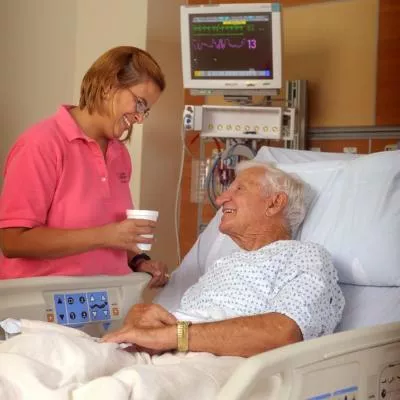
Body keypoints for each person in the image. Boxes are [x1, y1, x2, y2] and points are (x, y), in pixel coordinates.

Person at [103, 161, 345, 357]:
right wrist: (140, 320)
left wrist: (173, 336)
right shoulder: (224, 264)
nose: (220, 200)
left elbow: (285, 332)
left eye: (239, 189)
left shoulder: (306, 257)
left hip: (217, 366)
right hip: (163, 357)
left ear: (275, 203)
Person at [0, 46, 169, 287]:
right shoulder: (41, 145)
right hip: (41, 309)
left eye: (146, 111)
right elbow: (13, 241)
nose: (140, 118)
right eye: (139, 104)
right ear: (108, 86)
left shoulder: (119, 154)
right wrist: (106, 235)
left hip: (101, 302)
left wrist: (139, 261)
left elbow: (113, 238)